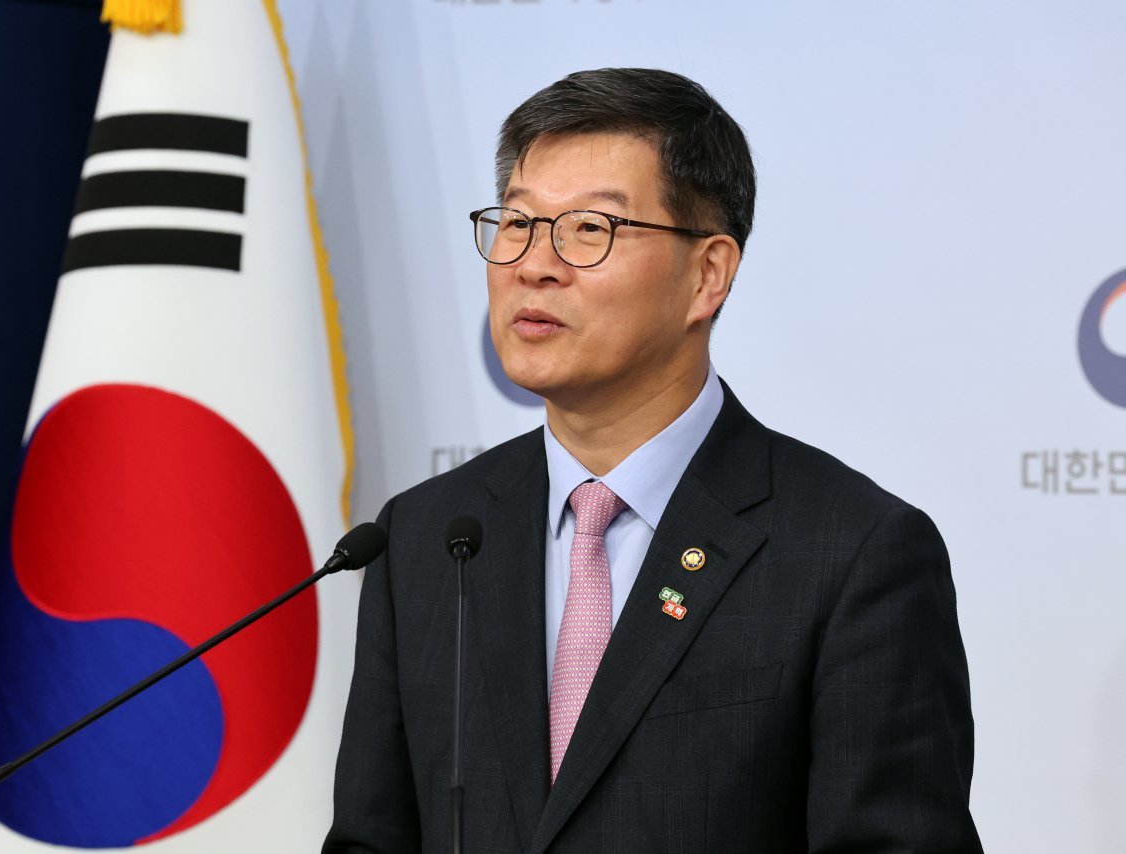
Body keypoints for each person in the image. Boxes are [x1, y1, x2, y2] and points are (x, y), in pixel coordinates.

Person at [324, 68, 982, 853]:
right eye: (518, 222)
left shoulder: (851, 554)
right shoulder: (428, 536)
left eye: (590, 229)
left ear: (707, 275)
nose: (534, 264)